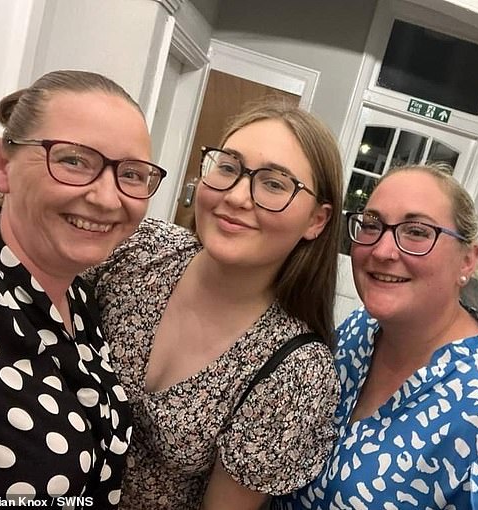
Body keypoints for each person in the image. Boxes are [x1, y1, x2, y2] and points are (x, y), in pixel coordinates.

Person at [85, 101, 343, 509]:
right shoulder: (138, 249)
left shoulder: (296, 371)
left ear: (317, 221)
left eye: (274, 184)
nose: (238, 196)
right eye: (227, 168)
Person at [274, 164, 478, 509]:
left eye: (416, 231)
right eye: (371, 225)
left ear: (467, 261)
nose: (382, 251)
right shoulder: (356, 334)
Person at [0, 70, 167, 507]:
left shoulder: (79, 298)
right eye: (74, 160)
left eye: (131, 174)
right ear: (3, 165)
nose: (107, 198)